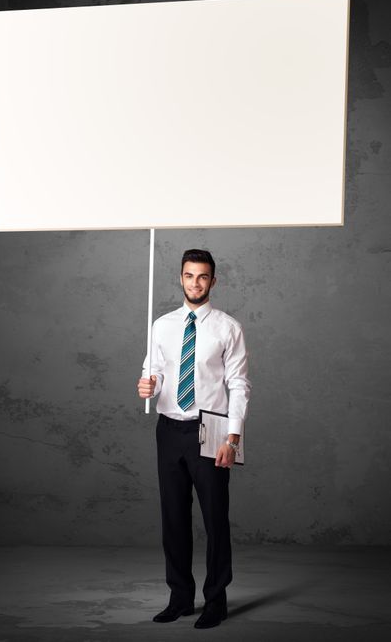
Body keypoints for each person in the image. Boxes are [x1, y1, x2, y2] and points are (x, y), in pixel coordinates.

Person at [138, 249, 251, 629]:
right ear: (180, 278)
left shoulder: (227, 327)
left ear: (213, 281)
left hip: (211, 430)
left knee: (215, 518)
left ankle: (215, 599)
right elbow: (154, 373)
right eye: (189, 276)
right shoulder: (162, 325)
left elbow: (238, 384)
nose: (195, 283)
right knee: (173, 518)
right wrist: (147, 386)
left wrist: (232, 439)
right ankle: (180, 597)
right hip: (169, 429)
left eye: (203, 277)